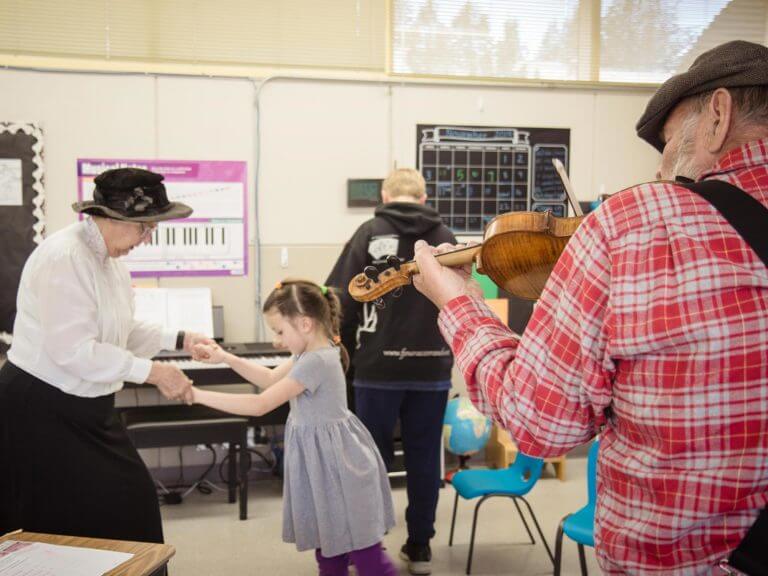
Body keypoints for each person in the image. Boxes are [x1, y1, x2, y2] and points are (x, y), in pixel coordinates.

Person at [412, 40, 768, 574]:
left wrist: (458, 300)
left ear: (718, 116)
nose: (662, 170)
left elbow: (538, 423)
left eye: (669, 145)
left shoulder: (639, 221)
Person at [0, 167, 212, 543]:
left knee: (126, 506)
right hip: (40, 406)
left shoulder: (112, 264)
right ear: (109, 217)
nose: (148, 237)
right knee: (53, 518)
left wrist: (180, 339)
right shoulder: (64, 258)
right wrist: (154, 373)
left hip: (87, 405)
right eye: (143, 227)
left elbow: (118, 332)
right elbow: (74, 351)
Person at [187, 279, 397, 576]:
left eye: (280, 331)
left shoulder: (317, 361)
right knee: (330, 550)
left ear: (305, 324)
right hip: (326, 466)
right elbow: (269, 378)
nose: (278, 340)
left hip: (339, 469)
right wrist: (225, 357)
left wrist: (194, 395)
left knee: (366, 557)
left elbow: (259, 405)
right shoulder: (309, 353)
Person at [326, 168, 455, 575]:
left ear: (384, 193)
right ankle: (420, 546)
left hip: (377, 369)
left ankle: (369, 544)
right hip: (431, 366)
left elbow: (340, 300)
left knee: (370, 461)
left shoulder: (368, 232)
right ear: (423, 195)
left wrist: (343, 353)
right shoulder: (443, 235)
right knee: (423, 457)